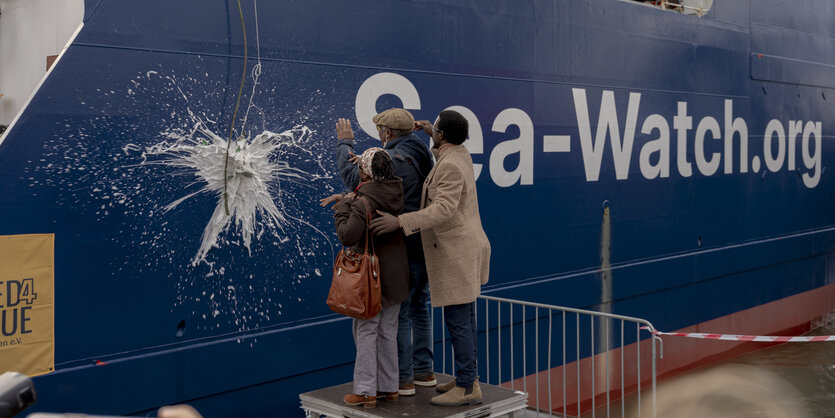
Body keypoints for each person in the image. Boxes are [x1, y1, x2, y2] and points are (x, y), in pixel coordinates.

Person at [370, 110, 491, 406]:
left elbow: (443, 209)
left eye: (435, 127)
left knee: (458, 320)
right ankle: (468, 376)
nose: (431, 129)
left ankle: (467, 387)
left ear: (443, 135)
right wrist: (431, 134)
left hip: (455, 253)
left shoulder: (449, 165)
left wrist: (401, 222)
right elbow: (445, 153)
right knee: (465, 317)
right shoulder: (458, 153)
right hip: (467, 246)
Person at [334, 108, 436, 396]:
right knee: (419, 306)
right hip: (421, 241)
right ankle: (423, 372)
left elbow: (353, 180)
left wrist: (344, 144)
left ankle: (401, 380)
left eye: (380, 130)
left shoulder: (388, 170)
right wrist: (369, 162)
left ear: (387, 133)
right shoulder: (419, 153)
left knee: (397, 315)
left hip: (401, 249)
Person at [321, 147, 410, 408]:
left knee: (366, 331)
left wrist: (341, 208)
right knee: (388, 332)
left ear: (365, 173)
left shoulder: (363, 202)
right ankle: (389, 387)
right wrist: (351, 198)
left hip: (371, 279)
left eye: (360, 167)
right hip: (396, 275)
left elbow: (347, 236)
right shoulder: (396, 192)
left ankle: (365, 391)